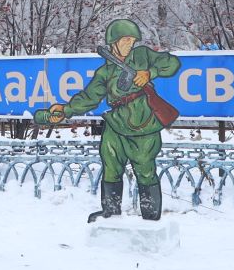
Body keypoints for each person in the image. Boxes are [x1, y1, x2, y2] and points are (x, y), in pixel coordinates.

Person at [40, 19, 181, 222]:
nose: (129, 44)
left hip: (143, 125)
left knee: (145, 169)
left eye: (132, 40)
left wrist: (150, 72)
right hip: (115, 124)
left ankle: (150, 216)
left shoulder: (142, 56)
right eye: (125, 40)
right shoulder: (105, 71)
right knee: (111, 167)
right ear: (113, 41)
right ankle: (110, 212)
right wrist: (65, 109)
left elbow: (172, 63)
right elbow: (90, 97)